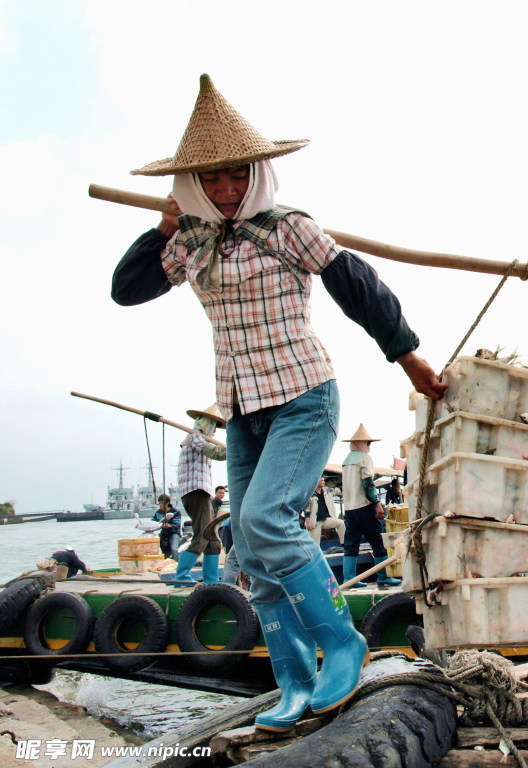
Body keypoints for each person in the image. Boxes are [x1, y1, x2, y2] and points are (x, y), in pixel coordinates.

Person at [110, 74, 446, 732]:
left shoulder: (288, 228)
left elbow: (358, 285)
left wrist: (409, 357)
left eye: (239, 175)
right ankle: (294, 681)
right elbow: (127, 288)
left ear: (257, 172)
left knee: (265, 521)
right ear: (191, 185)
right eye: (212, 180)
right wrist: (162, 227)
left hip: (302, 396)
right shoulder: (191, 243)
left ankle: (344, 644)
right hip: (243, 413)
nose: (228, 190)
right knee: (248, 545)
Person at [341, 425, 402, 589]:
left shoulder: (346, 461)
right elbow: (368, 484)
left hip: (349, 509)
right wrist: (377, 504)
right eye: (368, 443)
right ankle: (383, 577)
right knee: (377, 541)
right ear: (363, 443)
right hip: (364, 506)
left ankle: (348, 580)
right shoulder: (364, 458)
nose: (369, 446)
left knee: (351, 544)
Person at [173, 404, 228, 584]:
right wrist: (234, 450)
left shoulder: (200, 438)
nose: (213, 433)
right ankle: (181, 576)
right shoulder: (195, 437)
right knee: (204, 534)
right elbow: (213, 452)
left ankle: (210, 580)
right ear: (206, 424)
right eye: (213, 427)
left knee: (212, 538)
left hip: (202, 492)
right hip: (195, 491)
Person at [300, 474, 344, 548]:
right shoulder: (310, 494)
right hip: (315, 522)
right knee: (315, 545)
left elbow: (337, 490)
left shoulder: (327, 490)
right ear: (316, 482)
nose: (323, 482)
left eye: (324, 480)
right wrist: (308, 522)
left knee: (341, 523)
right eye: (322, 480)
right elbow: (306, 509)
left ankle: (344, 544)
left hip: (325, 519)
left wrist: (347, 484)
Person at [153, 494, 183, 561]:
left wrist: (169, 525)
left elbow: (177, 525)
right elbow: (153, 522)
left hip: (173, 533)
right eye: (159, 503)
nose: (160, 505)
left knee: (174, 549)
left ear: (167, 503)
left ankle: (179, 565)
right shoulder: (158, 513)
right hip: (163, 533)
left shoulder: (175, 512)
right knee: (153, 543)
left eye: (161, 503)